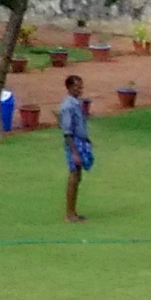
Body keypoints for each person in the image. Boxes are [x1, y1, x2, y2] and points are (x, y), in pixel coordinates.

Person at [58, 74, 94, 223]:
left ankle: (73, 211)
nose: (80, 90)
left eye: (81, 87)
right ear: (69, 88)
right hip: (74, 143)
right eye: (76, 87)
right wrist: (74, 153)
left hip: (80, 141)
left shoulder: (76, 103)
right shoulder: (67, 106)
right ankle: (69, 213)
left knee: (77, 177)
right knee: (73, 177)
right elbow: (67, 132)